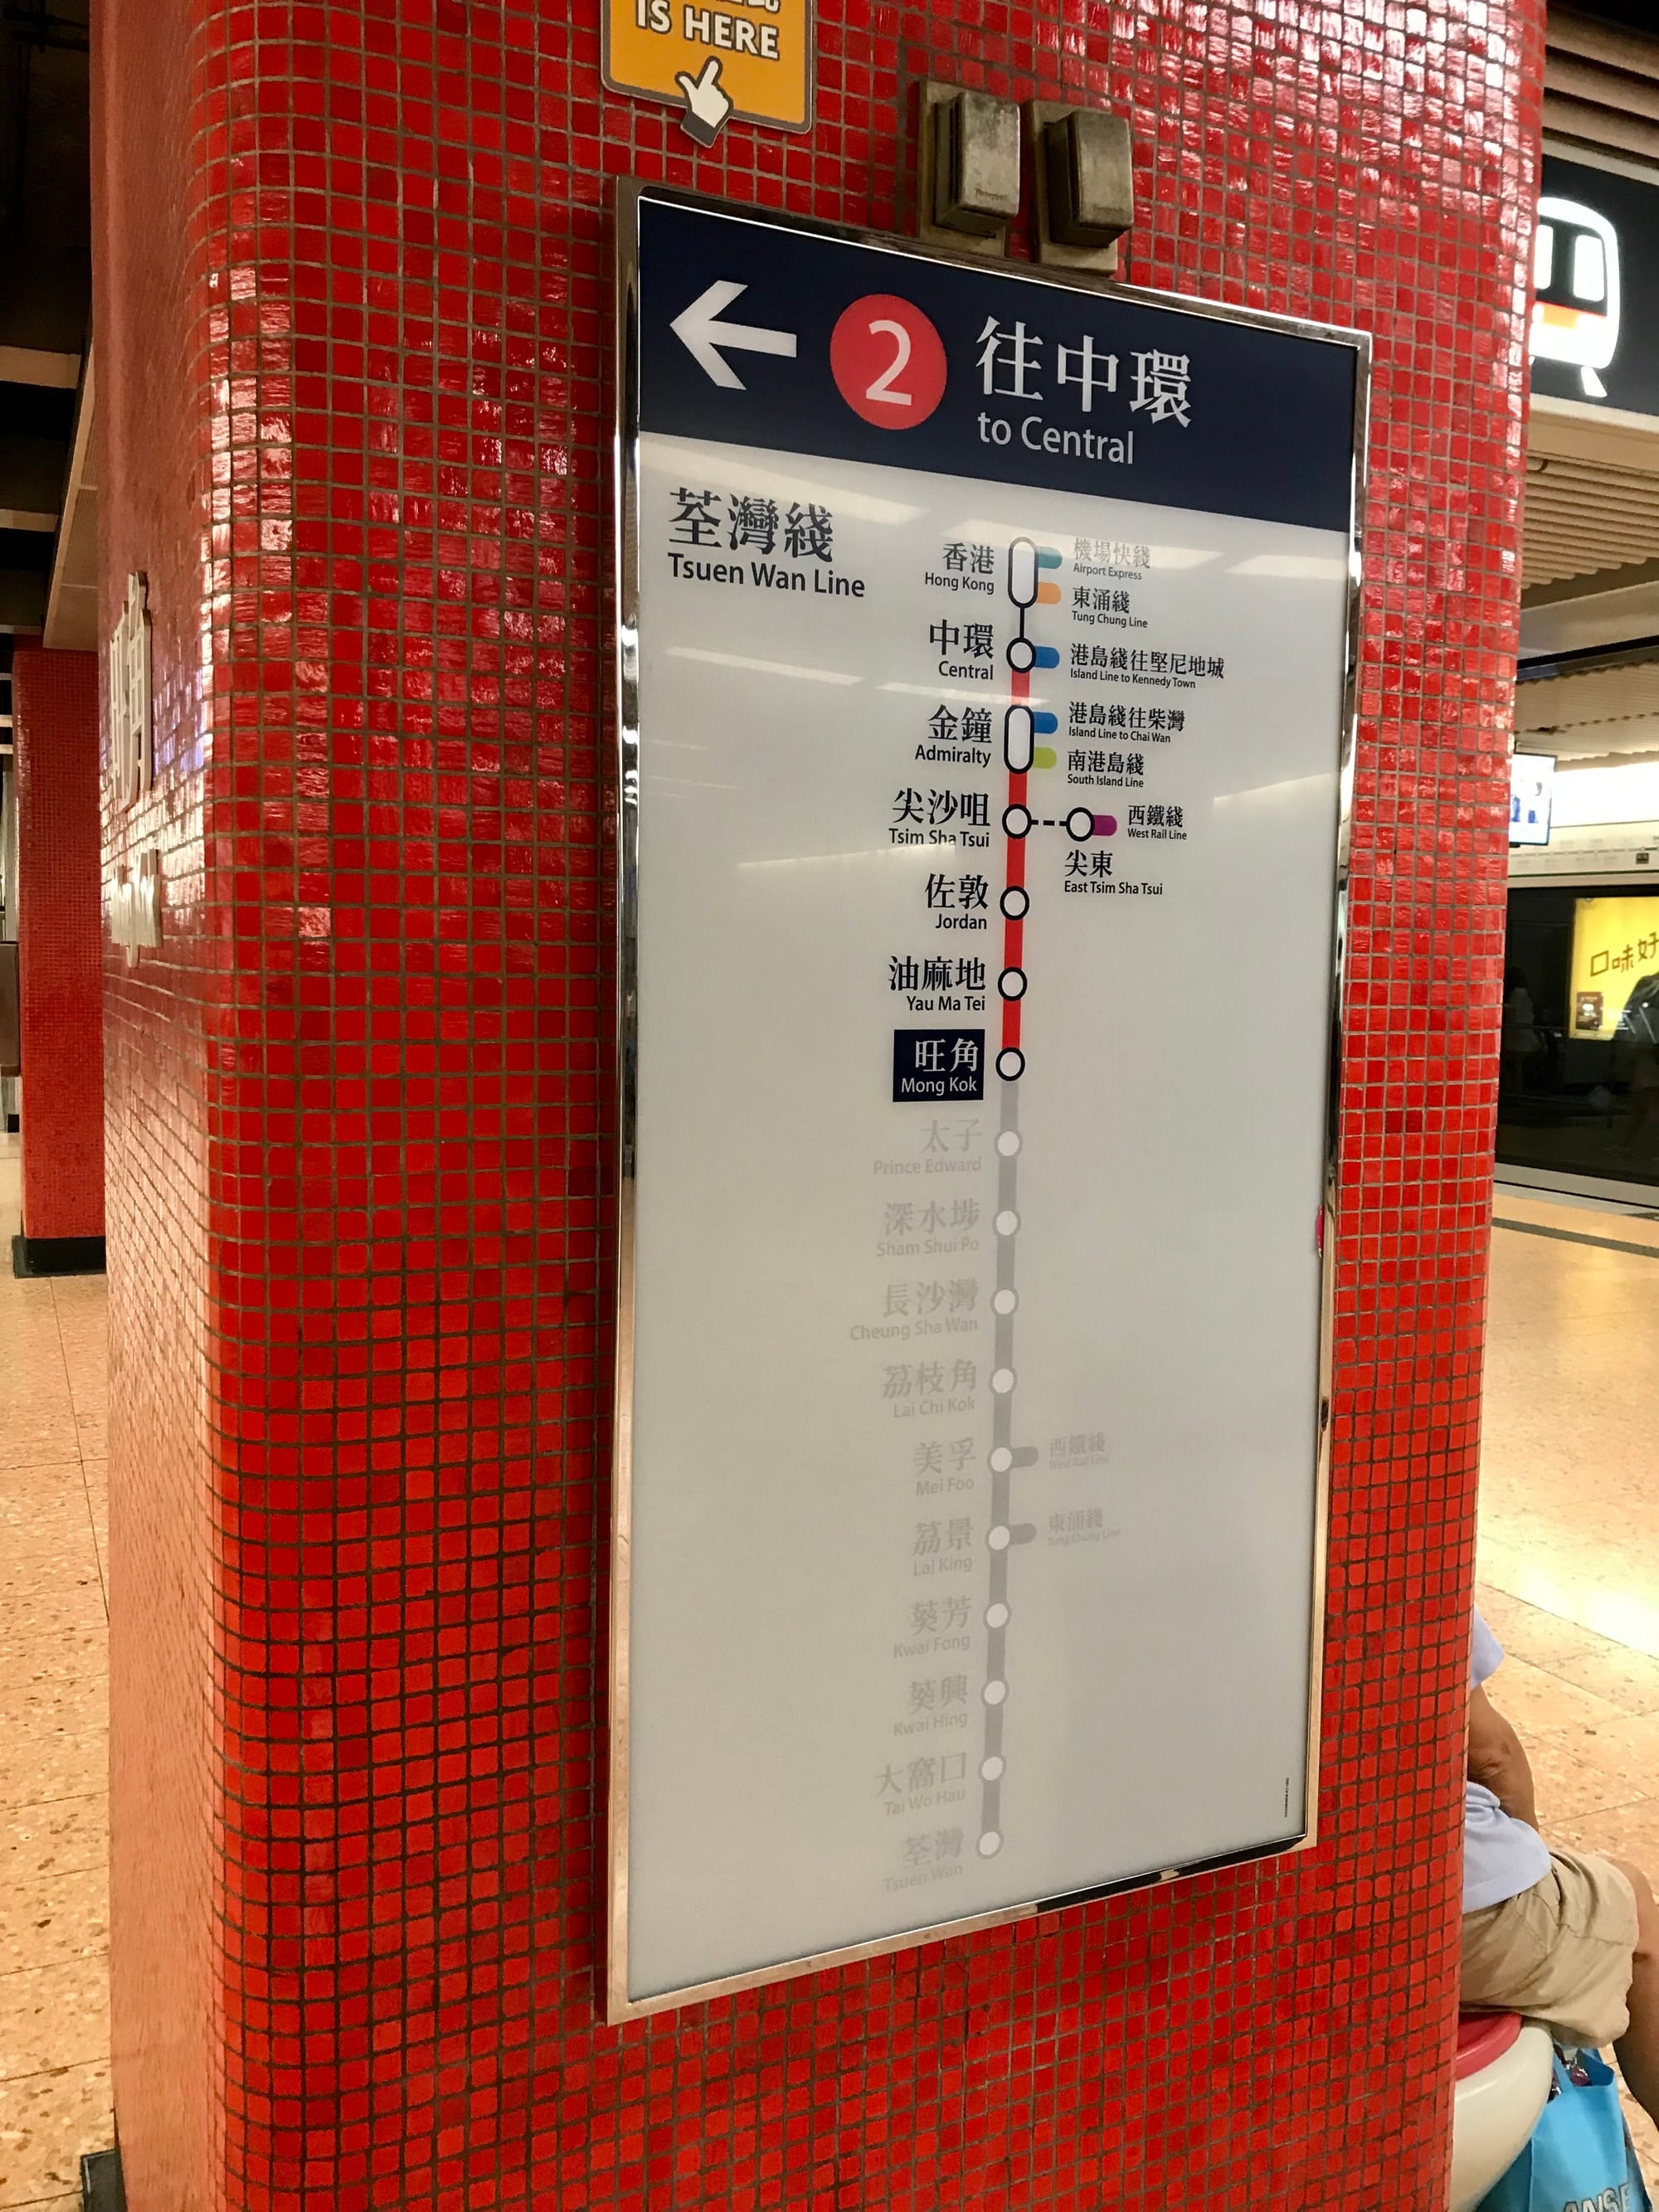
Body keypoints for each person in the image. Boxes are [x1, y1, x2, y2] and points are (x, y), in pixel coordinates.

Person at [1463, 1607, 1659, 2127]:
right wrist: (1532, 1858)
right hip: (1442, 1915)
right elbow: (1490, 1755)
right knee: (1634, 1904)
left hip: (1273, 1912)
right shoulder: (1411, 1559)